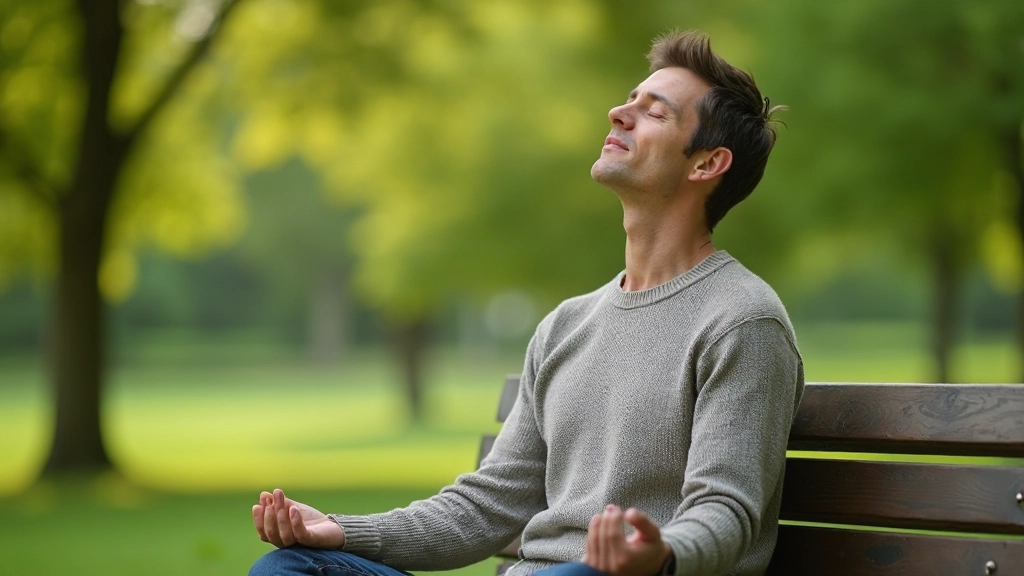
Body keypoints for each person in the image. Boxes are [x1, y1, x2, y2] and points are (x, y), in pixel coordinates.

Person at [250, 29, 803, 576]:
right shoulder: (567, 325)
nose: (618, 113)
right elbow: (484, 507)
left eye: (654, 112)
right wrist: (343, 531)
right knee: (291, 567)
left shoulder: (741, 321)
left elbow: (726, 510)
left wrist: (660, 554)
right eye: (629, 99)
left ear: (706, 164)